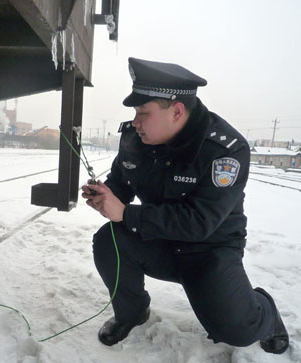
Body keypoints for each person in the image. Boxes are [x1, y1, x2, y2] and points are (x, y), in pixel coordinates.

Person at [82, 57, 289, 354]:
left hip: (209, 250)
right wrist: (104, 194)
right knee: (108, 240)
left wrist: (126, 213)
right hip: (159, 241)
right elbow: (122, 182)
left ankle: (266, 314)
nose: (136, 121)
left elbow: (198, 222)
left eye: (144, 112)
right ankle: (133, 312)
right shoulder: (136, 139)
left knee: (236, 330)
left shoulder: (224, 150)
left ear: (177, 111)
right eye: (135, 113)